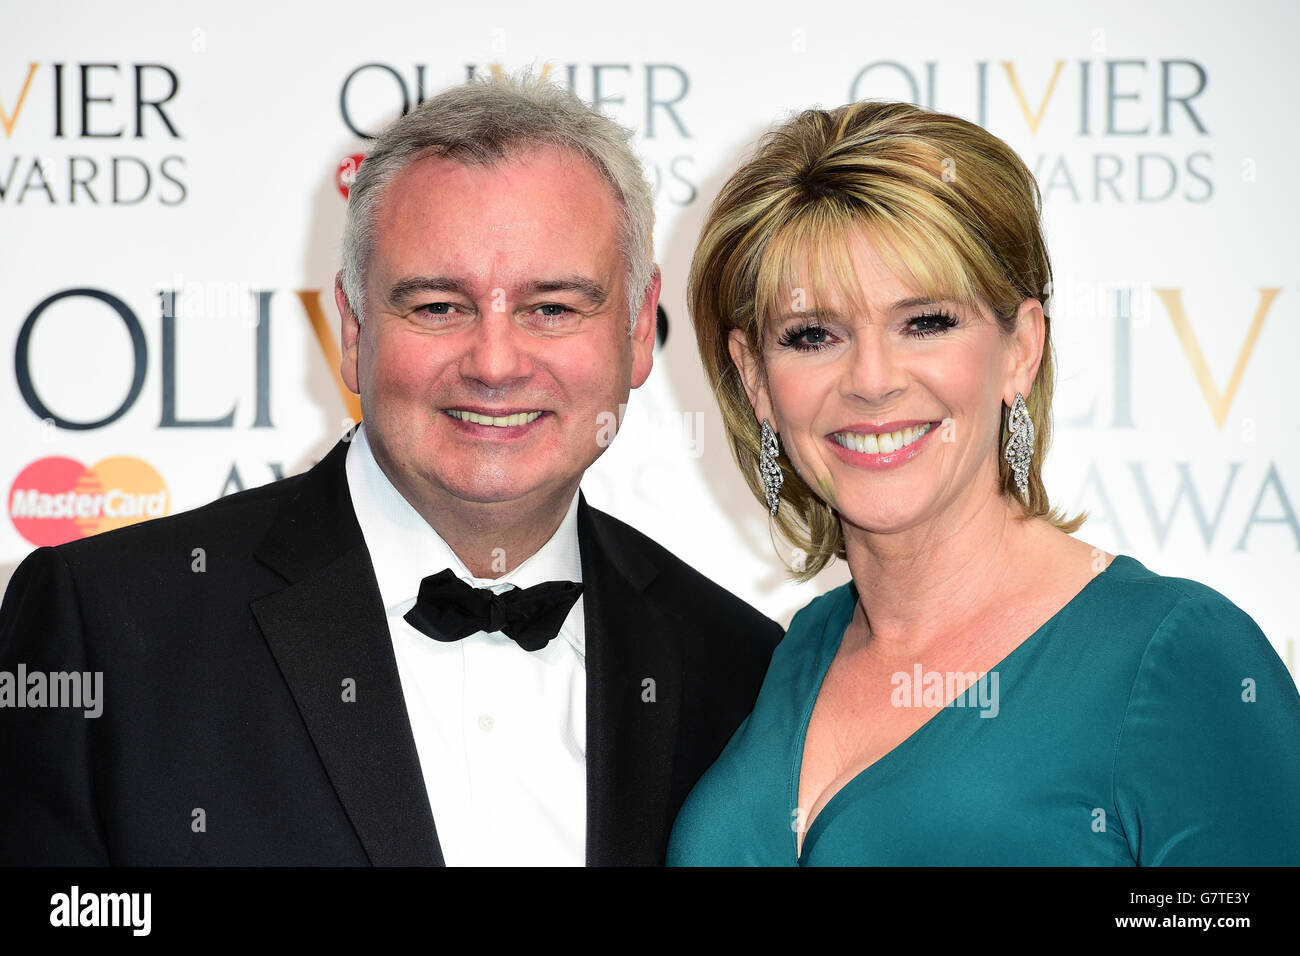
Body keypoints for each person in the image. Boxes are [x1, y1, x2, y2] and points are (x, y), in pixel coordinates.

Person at [0, 73, 782, 866]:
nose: (496, 363)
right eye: (439, 306)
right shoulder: (105, 629)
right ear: (352, 326)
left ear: (640, 331)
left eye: (554, 307)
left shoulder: (741, 670)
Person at [668, 100, 1300, 865]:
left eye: (925, 322)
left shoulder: (1177, 660)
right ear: (755, 379)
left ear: (1021, 349)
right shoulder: (790, 659)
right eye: (813, 335)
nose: (871, 381)